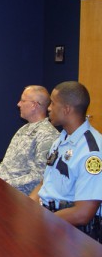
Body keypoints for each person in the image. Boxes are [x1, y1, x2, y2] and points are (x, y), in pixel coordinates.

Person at [29, 81, 102, 240]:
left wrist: (41, 222)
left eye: (53, 103)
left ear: (66, 109)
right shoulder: (62, 139)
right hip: (50, 218)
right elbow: (44, 183)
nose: (48, 108)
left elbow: (83, 214)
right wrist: (28, 209)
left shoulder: (91, 152)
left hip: (73, 232)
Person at [0, 85, 59, 195]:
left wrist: (4, 183)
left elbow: (40, 177)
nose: (18, 104)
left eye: (23, 101)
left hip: (18, 195)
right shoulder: (24, 129)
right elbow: (7, 164)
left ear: (34, 105)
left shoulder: (48, 135)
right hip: (2, 186)